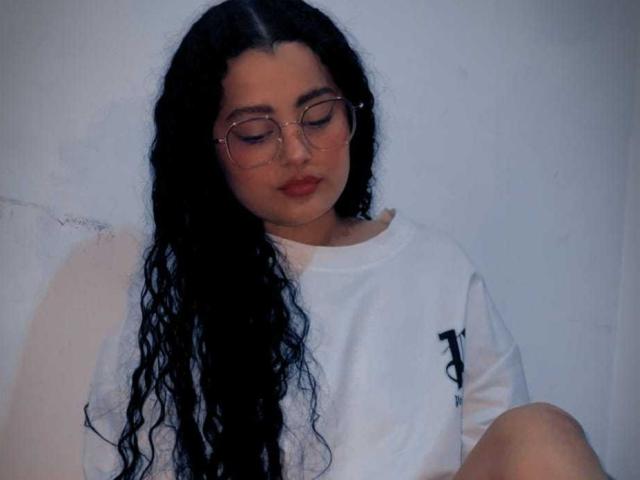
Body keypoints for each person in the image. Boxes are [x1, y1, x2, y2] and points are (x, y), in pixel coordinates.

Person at [83, 0, 610, 478]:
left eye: (317, 118)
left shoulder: (438, 269)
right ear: (208, 148)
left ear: (352, 112)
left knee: (540, 430)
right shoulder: (180, 302)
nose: (296, 152)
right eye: (256, 134)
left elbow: (501, 446)